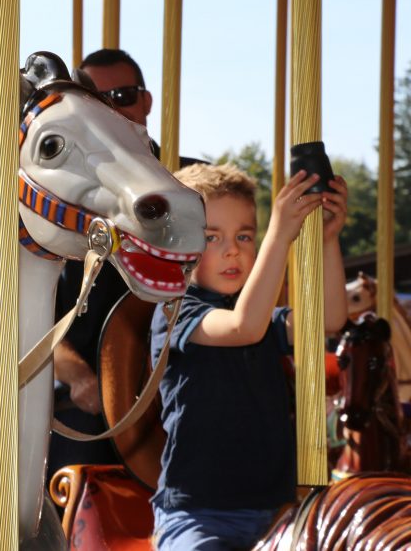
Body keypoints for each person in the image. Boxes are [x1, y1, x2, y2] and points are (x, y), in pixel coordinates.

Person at [150, 163, 348, 550]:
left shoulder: (263, 318)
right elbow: (243, 328)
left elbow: (330, 319)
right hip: (198, 513)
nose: (232, 250)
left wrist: (327, 240)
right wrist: (280, 233)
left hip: (275, 510)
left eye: (244, 236)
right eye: (211, 238)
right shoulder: (175, 313)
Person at [50, 48, 203, 472]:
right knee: (72, 468)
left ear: (146, 101)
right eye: (99, 102)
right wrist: (79, 377)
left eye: (123, 96)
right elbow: (37, 320)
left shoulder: (196, 184)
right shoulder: (65, 204)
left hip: (192, 381)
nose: (113, 110)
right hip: (94, 398)